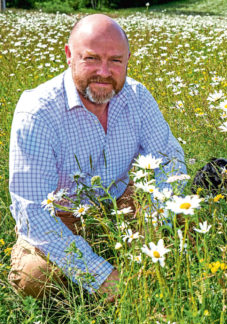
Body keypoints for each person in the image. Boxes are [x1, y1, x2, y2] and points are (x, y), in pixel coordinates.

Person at [8, 14, 186, 301]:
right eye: (91, 58)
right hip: (62, 216)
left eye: (115, 60)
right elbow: (35, 215)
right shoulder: (38, 112)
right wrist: (102, 276)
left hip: (121, 203)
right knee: (35, 276)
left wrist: (155, 219)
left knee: (187, 223)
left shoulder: (137, 97)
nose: (104, 71)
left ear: (128, 60)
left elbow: (169, 159)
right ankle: (85, 306)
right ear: (69, 55)